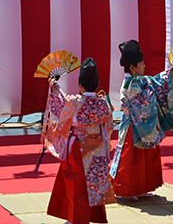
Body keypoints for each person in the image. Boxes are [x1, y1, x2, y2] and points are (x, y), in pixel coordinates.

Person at [41, 57, 116, 224]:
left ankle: (75, 218)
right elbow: (109, 126)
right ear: (96, 84)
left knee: (76, 184)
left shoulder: (74, 103)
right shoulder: (103, 103)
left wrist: (54, 87)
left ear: (80, 85)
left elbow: (61, 114)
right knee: (94, 183)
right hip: (96, 147)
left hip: (77, 148)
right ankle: (91, 217)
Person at [110, 39, 173, 199]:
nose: (145, 66)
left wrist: (169, 74)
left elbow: (155, 81)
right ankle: (126, 190)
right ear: (132, 67)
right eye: (141, 64)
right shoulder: (130, 83)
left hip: (141, 124)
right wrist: (150, 90)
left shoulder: (139, 80)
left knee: (143, 157)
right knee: (131, 157)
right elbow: (145, 98)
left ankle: (141, 188)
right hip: (132, 125)